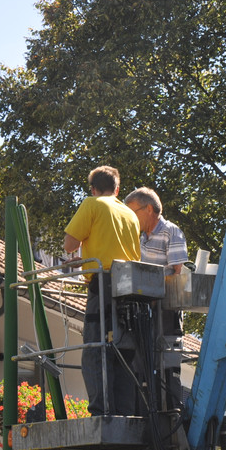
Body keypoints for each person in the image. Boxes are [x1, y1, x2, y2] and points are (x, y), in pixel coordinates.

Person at [64, 166, 141, 416]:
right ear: (117, 190)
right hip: (131, 287)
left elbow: (69, 244)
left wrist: (83, 255)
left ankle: (100, 411)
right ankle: (125, 412)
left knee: (96, 348)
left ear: (93, 189)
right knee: (123, 350)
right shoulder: (130, 214)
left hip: (104, 283)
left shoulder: (92, 204)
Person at [124, 187, 189, 410]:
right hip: (145, 307)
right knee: (142, 359)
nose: (131, 218)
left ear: (149, 209)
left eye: (133, 212)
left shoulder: (171, 231)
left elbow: (177, 272)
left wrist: (153, 292)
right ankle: (145, 407)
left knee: (166, 360)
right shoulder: (140, 237)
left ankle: (170, 407)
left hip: (166, 308)